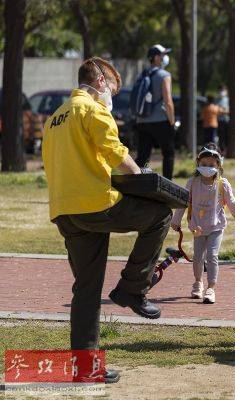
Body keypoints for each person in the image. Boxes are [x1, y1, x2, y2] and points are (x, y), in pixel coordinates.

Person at [42, 57, 172, 384]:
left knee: (86, 289)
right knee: (160, 216)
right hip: (97, 204)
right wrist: (142, 175)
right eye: (112, 88)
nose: (112, 96)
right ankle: (133, 288)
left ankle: (85, 368)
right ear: (100, 81)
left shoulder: (54, 117)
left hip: (65, 212)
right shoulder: (93, 110)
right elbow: (114, 151)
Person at [171, 145, 235, 304]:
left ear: (219, 165)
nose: (207, 168)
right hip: (198, 227)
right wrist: (176, 221)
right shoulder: (192, 183)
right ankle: (198, 282)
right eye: (204, 164)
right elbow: (183, 202)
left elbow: (231, 202)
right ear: (198, 164)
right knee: (198, 257)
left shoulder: (222, 184)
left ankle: (211, 288)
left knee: (212, 255)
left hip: (216, 227)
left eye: (211, 165)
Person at [135, 44, 176, 180]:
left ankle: (138, 184)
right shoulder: (164, 75)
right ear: (157, 57)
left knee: (143, 156)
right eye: (163, 55)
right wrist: (171, 121)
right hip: (160, 121)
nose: (165, 57)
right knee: (168, 153)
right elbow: (168, 101)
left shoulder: (142, 74)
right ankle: (168, 184)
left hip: (142, 121)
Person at [217, 85, 230, 150]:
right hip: (219, 121)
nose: (221, 92)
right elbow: (216, 110)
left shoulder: (227, 100)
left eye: (223, 90)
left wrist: (222, 111)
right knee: (221, 137)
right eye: (221, 90)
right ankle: (222, 150)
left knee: (227, 137)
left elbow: (228, 111)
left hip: (227, 121)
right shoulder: (217, 100)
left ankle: (227, 150)